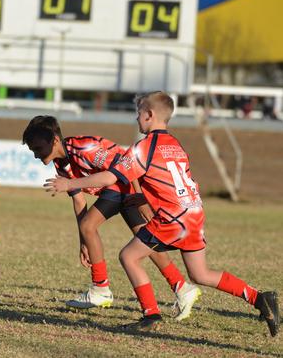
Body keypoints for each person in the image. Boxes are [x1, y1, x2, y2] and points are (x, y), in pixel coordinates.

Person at [44, 91, 280, 335]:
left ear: (149, 115)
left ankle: (151, 314)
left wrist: (70, 184)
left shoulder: (144, 147)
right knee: (201, 273)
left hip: (173, 217)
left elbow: (112, 176)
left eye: (138, 114)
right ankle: (260, 298)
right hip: (194, 212)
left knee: (129, 256)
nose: (136, 119)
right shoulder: (175, 145)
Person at [22, 116, 200, 321]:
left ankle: (100, 287)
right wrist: (84, 241)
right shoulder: (61, 164)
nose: (36, 155)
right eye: (32, 150)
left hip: (125, 185)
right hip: (122, 190)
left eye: (37, 148)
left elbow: (125, 166)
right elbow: (79, 201)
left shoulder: (85, 148)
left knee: (91, 225)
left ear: (54, 140)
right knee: (146, 241)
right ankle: (181, 287)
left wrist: (140, 197)